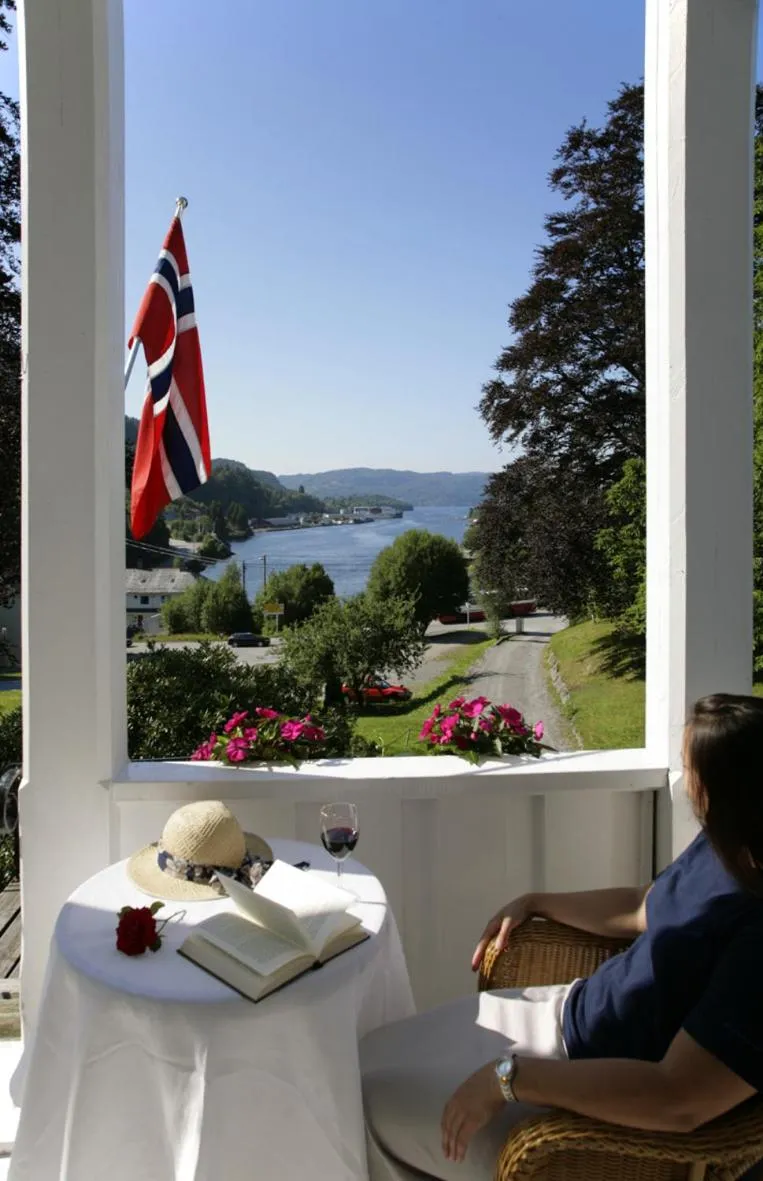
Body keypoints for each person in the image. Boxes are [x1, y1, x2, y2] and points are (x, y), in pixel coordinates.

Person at [360, 694, 763, 1180]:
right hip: (568, 1012)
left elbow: (680, 1098)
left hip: (579, 1090)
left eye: (689, 770)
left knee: (358, 1102)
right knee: (363, 1057)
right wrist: (537, 901)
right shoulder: (731, 844)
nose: (684, 784)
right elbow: (643, 905)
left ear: (727, 788)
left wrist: (508, 1080)